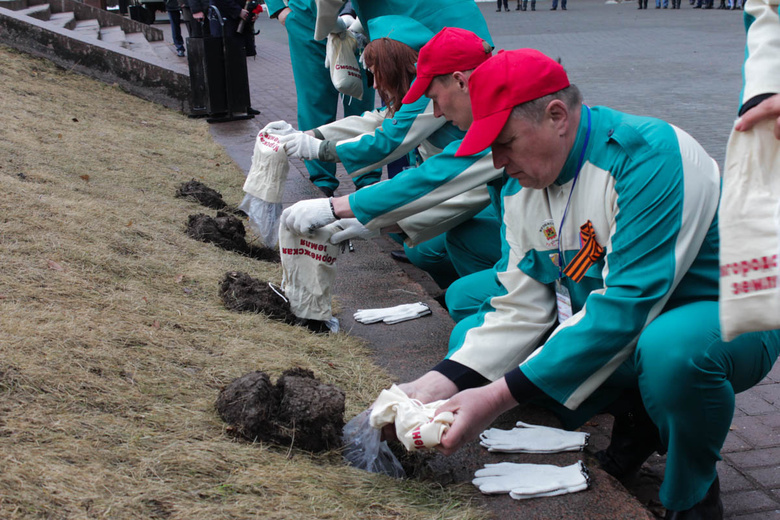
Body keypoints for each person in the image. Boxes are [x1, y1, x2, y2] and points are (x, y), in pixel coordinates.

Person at [402, 49, 780, 519]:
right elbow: (519, 306)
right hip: (625, 322)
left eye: (505, 141)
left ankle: (693, 496)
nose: (498, 162)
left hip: (717, 310)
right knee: (470, 346)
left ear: (557, 116)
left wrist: (495, 398)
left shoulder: (646, 153)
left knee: (671, 353)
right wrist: (431, 385)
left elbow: (627, 304)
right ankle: (639, 419)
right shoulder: (523, 188)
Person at [277, 18, 502, 289]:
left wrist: (338, 207)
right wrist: (311, 137)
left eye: (375, 73)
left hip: (529, 234)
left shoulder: (498, 124)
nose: (438, 112)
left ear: (460, 82)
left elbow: (414, 161)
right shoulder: (477, 99)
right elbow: (381, 121)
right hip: (505, 217)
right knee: (444, 269)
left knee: (447, 274)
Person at [264, 0, 379, 197]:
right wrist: (279, 9)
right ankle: (322, 181)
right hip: (307, 21)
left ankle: (366, 178)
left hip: (360, 19)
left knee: (362, 105)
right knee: (314, 103)